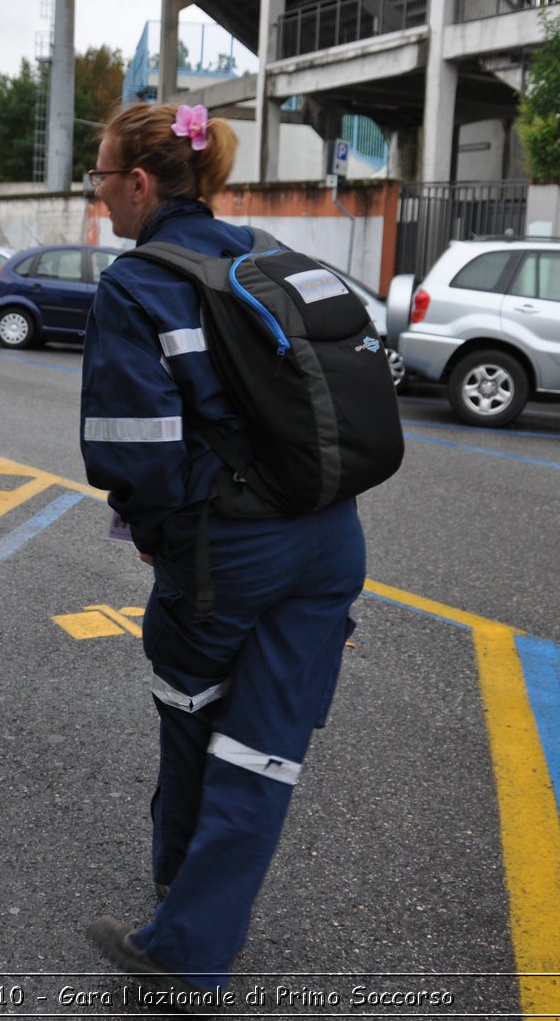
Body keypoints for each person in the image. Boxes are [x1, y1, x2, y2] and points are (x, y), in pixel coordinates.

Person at [80, 102, 368, 996]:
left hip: (229, 555)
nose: (96, 195)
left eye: (98, 176)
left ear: (138, 183)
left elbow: (133, 451)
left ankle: (177, 916)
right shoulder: (267, 255)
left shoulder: (137, 284)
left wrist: (160, 545)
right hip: (332, 541)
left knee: (192, 720)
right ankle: (192, 940)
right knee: (265, 748)